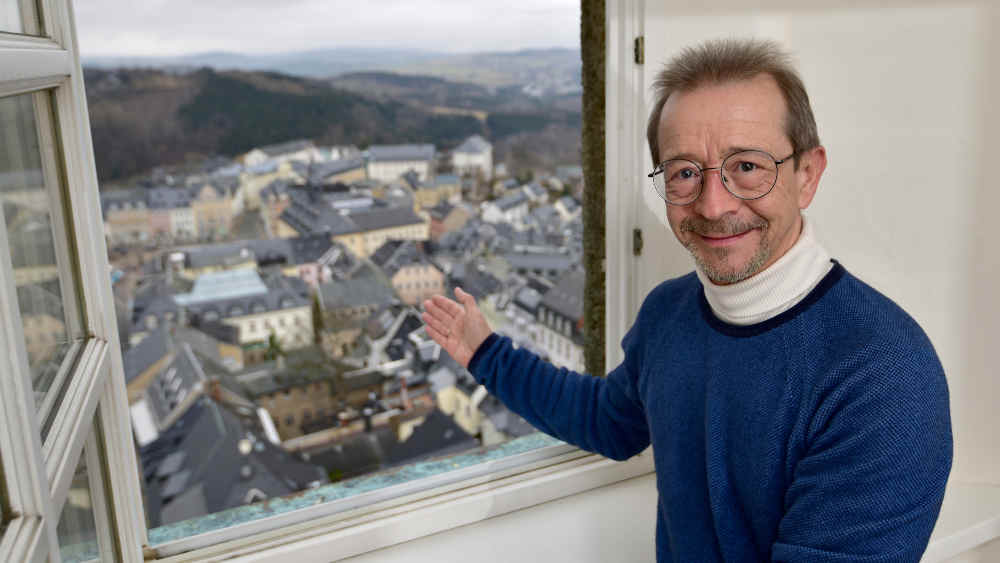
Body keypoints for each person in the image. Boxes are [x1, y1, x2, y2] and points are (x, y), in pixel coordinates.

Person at [421, 38, 951, 562]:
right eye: (685, 173)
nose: (714, 205)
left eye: (747, 166)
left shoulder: (883, 374)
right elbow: (607, 420)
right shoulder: (669, 313)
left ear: (806, 175)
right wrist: (487, 353)